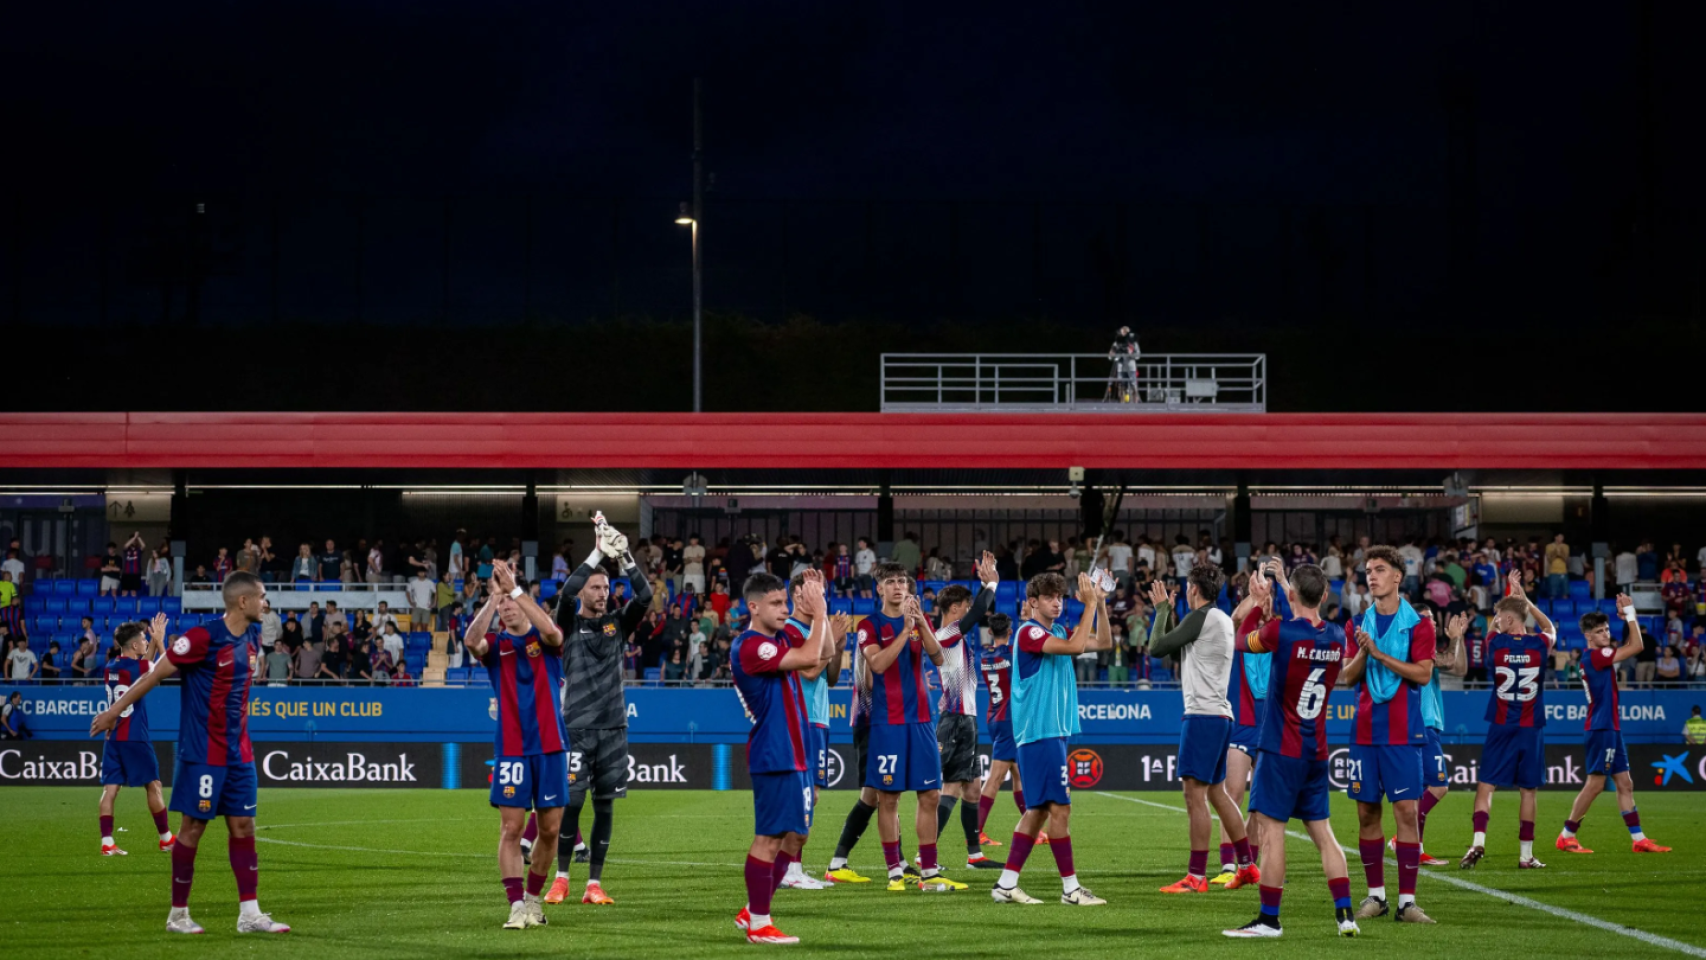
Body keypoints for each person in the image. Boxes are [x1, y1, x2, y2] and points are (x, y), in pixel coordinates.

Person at [89, 572, 290, 935]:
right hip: (203, 752)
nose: (266, 603)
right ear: (242, 601)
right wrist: (113, 711)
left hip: (240, 753)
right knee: (192, 828)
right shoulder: (202, 638)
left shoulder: (254, 636)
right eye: (261, 596)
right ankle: (177, 915)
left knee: (244, 826)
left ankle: (250, 914)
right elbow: (152, 676)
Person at [1221, 562, 1360, 939]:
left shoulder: (1280, 632)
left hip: (1280, 749)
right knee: (1324, 834)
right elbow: (1305, 615)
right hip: (1316, 751)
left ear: (1292, 594)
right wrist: (1282, 587)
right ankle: (1345, 915)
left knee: (1272, 834)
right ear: (1326, 596)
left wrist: (1256, 602)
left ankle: (1269, 919)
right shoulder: (1335, 637)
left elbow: (1241, 639)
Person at [540, 519, 653, 907]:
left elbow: (645, 595)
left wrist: (624, 557)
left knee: (604, 805)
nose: (603, 593)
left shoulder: (618, 623)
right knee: (571, 803)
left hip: (613, 729)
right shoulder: (568, 622)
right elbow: (567, 591)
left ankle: (594, 884)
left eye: (607, 587)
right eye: (597, 587)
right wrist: (597, 554)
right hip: (576, 728)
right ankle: (561, 879)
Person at [989, 572, 1110, 906]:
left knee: (1038, 810)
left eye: (1060, 596)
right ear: (1032, 602)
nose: (1057, 602)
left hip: (1049, 733)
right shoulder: (1029, 632)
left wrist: (1099, 604)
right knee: (1061, 808)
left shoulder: (1054, 631)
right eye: (1049, 597)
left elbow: (1103, 643)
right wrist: (1088, 606)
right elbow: (1076, 646)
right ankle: (1071, 889)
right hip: (1040, 733)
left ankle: (1006, 884)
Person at [730, 571, 837, 945]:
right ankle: (759, 922)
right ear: (753, 606)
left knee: (795, 834)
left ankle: (753, 911)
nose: (783, 610)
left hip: (794, 751)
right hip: (775, 752)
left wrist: (813, 608)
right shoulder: (752, 646)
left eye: (785, 602)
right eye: (775, 604)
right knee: (769, 838)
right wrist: (820, 613)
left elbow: (823, 654)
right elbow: (811, 654)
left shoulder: (775, 639)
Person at [462, 559, 568, 930]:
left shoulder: (544, 639)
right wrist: (492, 599)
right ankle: (516, 904)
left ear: (523, 601)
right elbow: (471, 642)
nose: (507, 605)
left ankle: (535, 901)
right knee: (511, 828)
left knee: (551, 829)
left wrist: (517, 591)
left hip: (552, 745)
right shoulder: (496, 644)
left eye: (510, 599)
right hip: (511, 748)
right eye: (502, 601)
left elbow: (554, 634)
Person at [1338, 545, 1436, 924]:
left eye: (1380, 569)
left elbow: (1423, 673)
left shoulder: (1418, 624)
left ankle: (1407, 902)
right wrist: (1364, 653)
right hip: (1364, 731)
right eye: (1368, 570)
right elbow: (1347, 677)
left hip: (1402, 731)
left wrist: (1379, 654)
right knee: (1366, 814)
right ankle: (1376, 897)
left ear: (1398, 576)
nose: (1372, 576)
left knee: (1407, 813)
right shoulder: (1357, 624)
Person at [1148, 563, 1256, 894]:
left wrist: (1162, 609)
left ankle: (1196, 876)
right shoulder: (1220, 619)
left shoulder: (1202, 617)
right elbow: (1173, 647)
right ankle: (1248, 865)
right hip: (1220, 715)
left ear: (1194, 589)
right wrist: (1166, 612)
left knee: (1194, 796)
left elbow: (1156, 649)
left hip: (1203, 717)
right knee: (1217, 794)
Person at [854, 562, 963, 892]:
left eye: (902, 581)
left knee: (930, 794)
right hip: (888, 722)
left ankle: (929, 872)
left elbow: (939, 658)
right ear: (880, 589)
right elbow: (877, 663)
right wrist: (904, 631)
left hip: (921, 721)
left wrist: (921, 626)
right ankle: (894, 872)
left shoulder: (919, 621)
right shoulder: (869, 625)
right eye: (891, 582)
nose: (898, 586)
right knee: (889, 798)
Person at [1556, 599, 1672, 855]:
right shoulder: (1595, 656)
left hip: (1611, 728)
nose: (1606, 634)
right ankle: (1567, 834)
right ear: (1588, 636)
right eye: (1599, 631)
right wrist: (1630, 614)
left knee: (1625, 783)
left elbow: (1632, 645)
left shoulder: (1598, 656)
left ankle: (1639, 839)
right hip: (1601, 728)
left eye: (1607, 629)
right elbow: (1638, 645)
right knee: (1596, 784)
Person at [1459, 579, 1554, 870]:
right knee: (1528, 791)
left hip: (1500, 724)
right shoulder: (1540, 645)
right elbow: (1550, 628)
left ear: (1509, 619)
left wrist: (1507, 611)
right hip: (1530, 726)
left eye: (1500, 616)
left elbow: (1491, 632)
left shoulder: (1495, 643)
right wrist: (1526, 600)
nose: (1496, 620)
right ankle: (1525, 855)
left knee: (1486, 786)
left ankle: (1477, 842)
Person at [1211, 559, 1279, 885]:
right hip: (1242, 723)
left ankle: (1252, 865)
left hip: (1272, 726)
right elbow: (1237, 617)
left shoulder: (1281, 629)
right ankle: (1228, 864)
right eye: (1262, 593)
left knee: (1262, 805)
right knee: (1232, 793)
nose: (1267, 599)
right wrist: (1255, 596)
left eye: (1271, 594)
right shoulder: (1237, 627)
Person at [776, 571, 844, 889]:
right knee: (804, 795)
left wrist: (829, 629)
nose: (817, 595)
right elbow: (810, 670)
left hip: (818, 719)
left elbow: (830, 671)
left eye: (821, 590)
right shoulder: (790, 629)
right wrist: (824, 619)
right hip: (801, 720)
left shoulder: (812, 627)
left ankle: (794, 869)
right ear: (796, 596)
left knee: (810, 796)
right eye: (811, 591)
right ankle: (789, 870)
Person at [932, 552, 1000, 870]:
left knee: (972, 787)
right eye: (966, 606)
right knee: (950, 787)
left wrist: (987, 581)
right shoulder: (945, 635)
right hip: (956, 718)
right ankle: (925, 856)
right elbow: (978, 614)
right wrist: (992, 584)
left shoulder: (950, 637)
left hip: (966, 718)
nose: (968, 611)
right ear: (957, 608)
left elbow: (975, 614)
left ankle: (974, 856)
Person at [97, 616, 176, 856]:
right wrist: (160, 641)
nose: (145, 642)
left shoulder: (111, 667)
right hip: (135, 737)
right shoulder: (141, 668)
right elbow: (163, 669)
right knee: (154, 785)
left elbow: (145, 669)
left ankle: (107, 842)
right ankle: (166, 840)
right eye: (142, 640)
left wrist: (151, 642)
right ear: (133, 646)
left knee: (110, 790)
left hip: (113, 738)